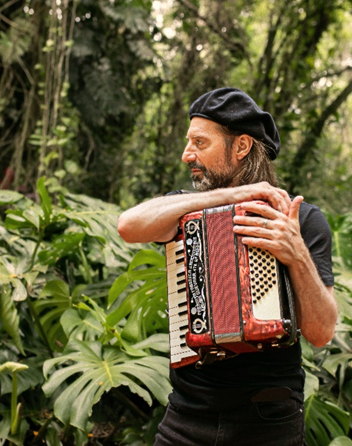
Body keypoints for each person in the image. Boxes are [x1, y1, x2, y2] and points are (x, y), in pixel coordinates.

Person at [118, 87, 337, 445]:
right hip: (187, 412)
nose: (187, 154)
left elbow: (321, 332)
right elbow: (129, 226)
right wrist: (235, 195)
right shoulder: (185, 208)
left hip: (268, 418)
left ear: (241, 147)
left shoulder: (303, 220)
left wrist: (296, 253)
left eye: (200, 143)